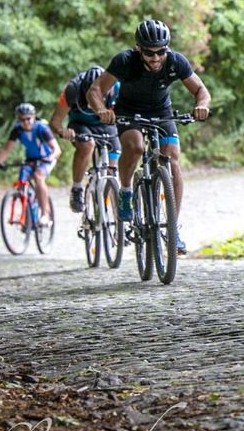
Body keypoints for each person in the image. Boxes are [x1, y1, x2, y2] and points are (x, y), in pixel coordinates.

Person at [90, 19, 211, 255]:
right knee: (134, 147)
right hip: (128, 113)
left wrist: (202, 105)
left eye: (160, 52)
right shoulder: (124, 61)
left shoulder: (175, 61)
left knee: (173, 160)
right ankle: (126, 192)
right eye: (149, 52)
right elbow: (95, 90)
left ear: (167, 48)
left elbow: (200, 90)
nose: (155, 58)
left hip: (161, 113)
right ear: (138, 48)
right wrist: (102, 111)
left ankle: (173, 228)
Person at [48, 65, 121, 212]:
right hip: (80, 123)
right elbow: (55, 121)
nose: (93, 103)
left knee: (113, 169)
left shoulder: (116, 87)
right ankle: (77, 188)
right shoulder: (72, 90)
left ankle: (117, 217)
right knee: (87, 145)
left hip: (106, 123)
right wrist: (63, 131)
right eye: (89, 98)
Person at [0, 102, 61, 224]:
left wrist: (50, 158)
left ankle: (45, 214)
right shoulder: (17, 130)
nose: (25, 122)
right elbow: (7, 149)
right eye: (22, 119)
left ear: (34, 117)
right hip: (31, 160)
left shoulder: (42, 129)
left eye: (28, 118)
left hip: (46, 158)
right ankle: (28, 212)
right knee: (21, 179)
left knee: (38, 176)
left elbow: (57, 149)